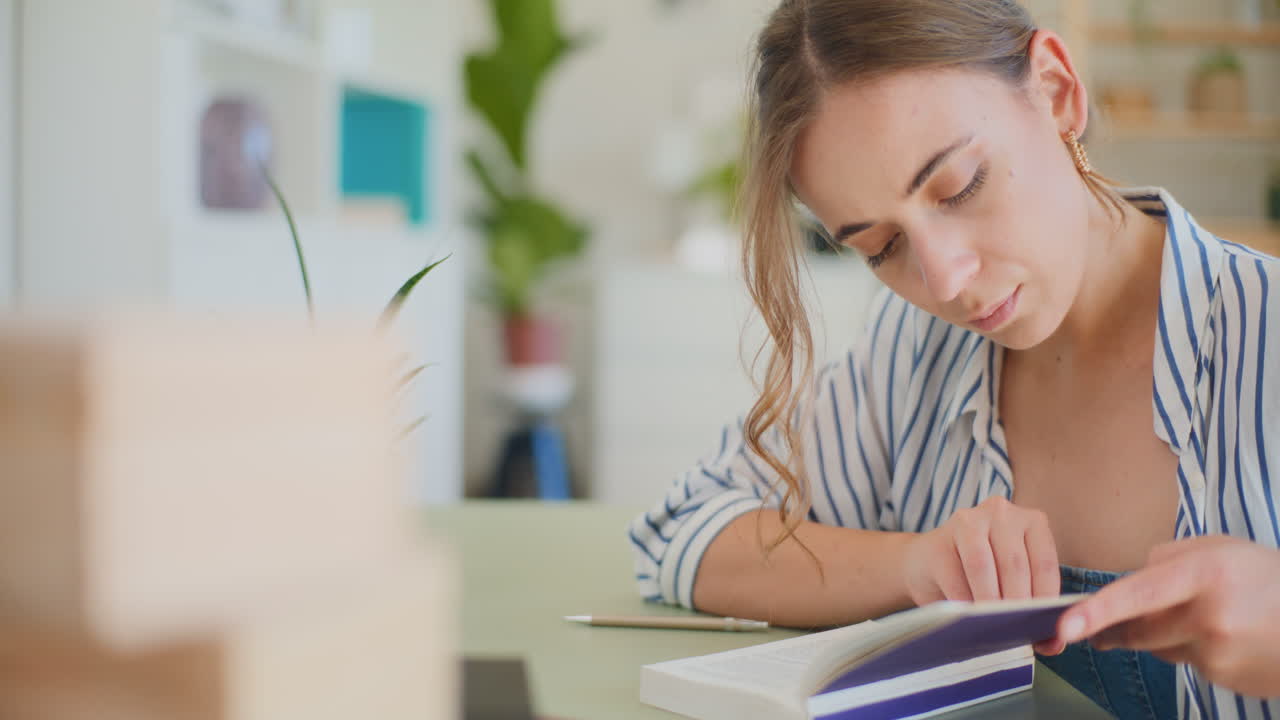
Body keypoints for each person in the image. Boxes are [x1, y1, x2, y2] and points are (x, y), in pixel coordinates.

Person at [627, 1, 1280, 718]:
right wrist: (915, 563)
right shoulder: (917, 352)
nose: (943, 281)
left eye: (960, 186)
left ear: (1057, 91)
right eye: (881, 247)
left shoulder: (1265, 333)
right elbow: (684, 531)